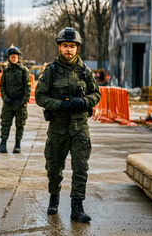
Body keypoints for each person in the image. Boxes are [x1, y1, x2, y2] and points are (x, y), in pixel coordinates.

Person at [35, 27, 100, 223]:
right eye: (65, 46)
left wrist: (84, 102)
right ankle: (54, 197)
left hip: (80, 127)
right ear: (59, 47)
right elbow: (40, 96)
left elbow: (96, 94)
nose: (69, 50)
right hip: (58, 128)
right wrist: (60, 105)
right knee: (54, 167)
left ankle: (77, 207)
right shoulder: (51, 71)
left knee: (81, 167)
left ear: (77, 48)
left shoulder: (85, 71)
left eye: (72, 46)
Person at [0, 45, 31, 154]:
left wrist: (24, 101)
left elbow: (28, 87)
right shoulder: (6, 71)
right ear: (9, 58)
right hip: (8, 103)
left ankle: (17, 145)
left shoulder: (23, 70)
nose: (13, 58)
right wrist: (5, 98)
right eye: (11, 57)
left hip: (20, 103)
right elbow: (2, 85)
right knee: (5, 123)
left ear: (18, 57)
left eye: (15, 56)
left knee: (20, 125)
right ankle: (3, 145)